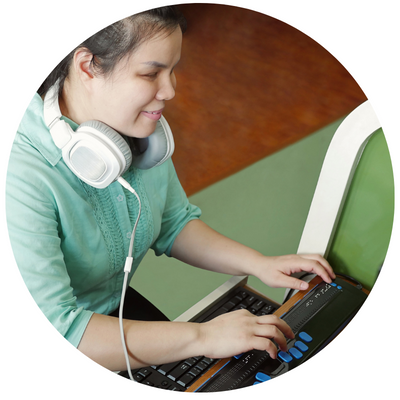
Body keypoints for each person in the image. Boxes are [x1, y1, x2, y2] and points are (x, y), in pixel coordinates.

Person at [6, 6, 335, 374]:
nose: (170, 90)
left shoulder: (132, 129)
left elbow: (173, 222)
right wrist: (202, 338)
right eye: (151, 73)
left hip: (111, 308)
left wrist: (258, 263)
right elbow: (60, 333)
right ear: (88, 66)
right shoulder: (19, 172)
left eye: (172, 69)